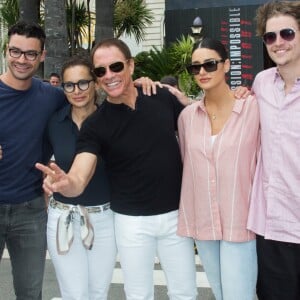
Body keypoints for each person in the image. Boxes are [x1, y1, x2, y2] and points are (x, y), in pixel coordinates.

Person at [36, 37, 198, 300]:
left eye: (116, 67)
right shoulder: (95, 125)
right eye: (101, 71)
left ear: (130, 66)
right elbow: (80, 172)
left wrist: (232, 96)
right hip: (129, 221)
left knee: (185, 293)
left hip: (176, 218)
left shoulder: (162, 97)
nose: (109, 75)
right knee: (137, 295)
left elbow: (203, 123)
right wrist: (68, 184)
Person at [177, 37, 259, 300]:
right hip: (204, 224)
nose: (202, 72)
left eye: (210, 64)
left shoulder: (252, 108)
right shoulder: (187, 118)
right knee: (221, 294)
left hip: (241, 221)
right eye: (196, 67)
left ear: (226, 66)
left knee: (239, 295)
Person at [0, 21, 66, 300]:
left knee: (29, 293)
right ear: (6, 50)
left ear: (42, 56)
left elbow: (90, 105)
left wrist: (142, 85)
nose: (21, 59)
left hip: (31, 210)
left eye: (30, 53)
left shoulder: (53, 97)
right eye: (15, 51)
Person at [45, 56, 116, 299]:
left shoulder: (113, 120)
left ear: (96, 83)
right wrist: (48, 178)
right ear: (62, 88)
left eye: (83, 83)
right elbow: (43, 161)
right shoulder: (54, 123)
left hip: (104, 218)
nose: (77, 91)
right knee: (74, 293)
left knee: (97, 292)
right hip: (62, 216)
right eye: (69, 85)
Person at [247, 2, 300, 299]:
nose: (278, 42)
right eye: (270, 37)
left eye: (287, 33)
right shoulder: (261, 83)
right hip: (271, 229)